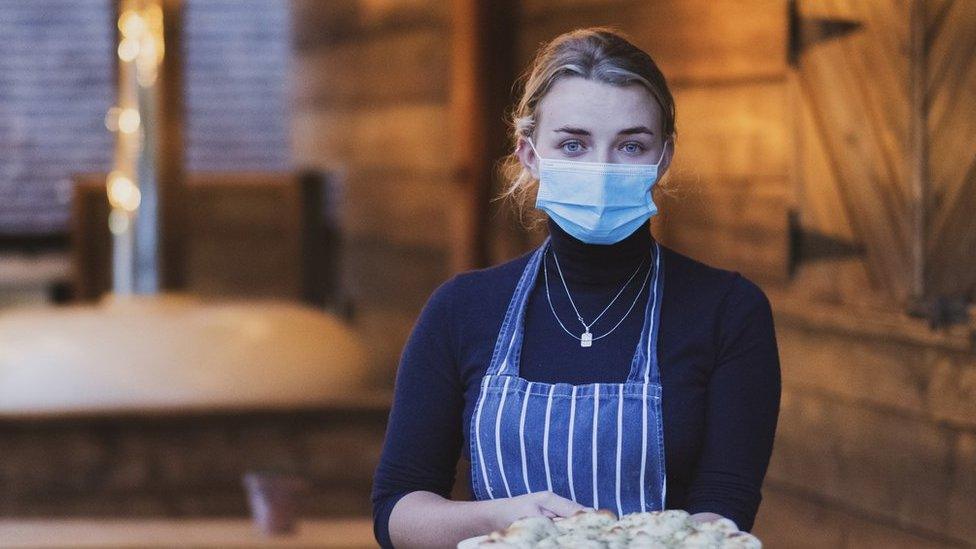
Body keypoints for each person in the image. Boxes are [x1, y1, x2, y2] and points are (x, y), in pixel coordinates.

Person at [370, 27, 781, 549]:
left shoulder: (728, 311)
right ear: (529, 154)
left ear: (665, 157)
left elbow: (725, 509)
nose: (602, 168)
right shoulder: (461, 309)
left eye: (631, 145)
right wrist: (514, 518)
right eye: (573, 144)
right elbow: (398, 509)